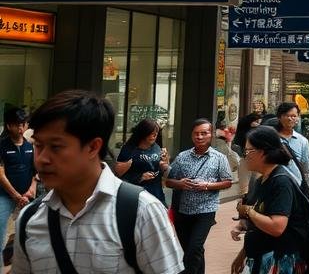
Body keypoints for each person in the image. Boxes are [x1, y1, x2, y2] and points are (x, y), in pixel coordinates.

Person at [12, 90, 183, 274]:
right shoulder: (30, 218)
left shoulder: (141, 212)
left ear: (93, 147)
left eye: (56, 146)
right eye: (38, 145)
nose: (42, 159)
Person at [230, 126, 305, 274]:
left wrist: (247, 211)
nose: (245, 156)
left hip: (278, 259)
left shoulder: (281, 182)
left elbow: (276, 227)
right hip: (260, 256)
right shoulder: (261, 180)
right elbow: (258, 226)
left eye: (248, 151)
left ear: (262, 152)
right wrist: (243, 254)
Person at [165, 119, 234, 274]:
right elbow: (169, 182)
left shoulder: (219, 158)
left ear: (211, 135)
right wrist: (180, 184)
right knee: (190, 249)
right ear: (192, 136)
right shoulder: (182, 157)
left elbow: (228, 182)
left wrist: (207, 186)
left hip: (205, 210)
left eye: (204, 133)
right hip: (183, 210)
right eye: (197, 133)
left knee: (195, 247)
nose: (200, 137)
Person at [0, 106, 35, 247]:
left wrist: (31, 190)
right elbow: (0, 174)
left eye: (23, 124)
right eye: (17, 124)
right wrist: (15, 195)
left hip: (27, 195)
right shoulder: (2, 146)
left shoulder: (29, 146)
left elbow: (34, 172)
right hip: (5, 196)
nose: (21, 128)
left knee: (32, 230)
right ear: (9, 126)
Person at [114, 117, 169, 204]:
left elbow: (164, 172)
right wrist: (140, 177)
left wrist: (165, 161)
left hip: (156, 195)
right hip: (136, 196)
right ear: (143, 133)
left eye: (156, 133)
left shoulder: (157, 147)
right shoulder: (129, 149)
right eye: (151, 133)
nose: (154, 136)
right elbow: (119, 174)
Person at [274, 102, 309, 194]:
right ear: (279, 117)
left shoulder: (303, 141)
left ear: (298, 118)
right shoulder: (271, 138)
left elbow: (306, 168)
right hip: (274, 187)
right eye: (286, 115)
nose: (290, 119)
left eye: (294, 116)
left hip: (296, 189)